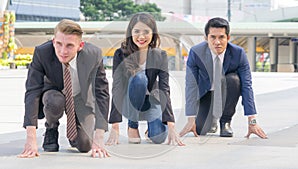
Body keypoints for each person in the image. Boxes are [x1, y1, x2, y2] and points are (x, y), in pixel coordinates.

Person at [18, 19, 110, 158]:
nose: (62, 51)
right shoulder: (42, 53)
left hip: (80, 97)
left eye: (69, 46)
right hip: (54, 93)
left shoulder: (93, 55)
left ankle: (74, 136)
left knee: (85, 146)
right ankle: (51, 128)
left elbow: (102, 93)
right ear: (54, 41)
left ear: (80, 46)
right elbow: (32, 91)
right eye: (59, 44)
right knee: (54, 102)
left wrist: (99, 136)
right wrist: (31, 138)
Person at [180, 17, 267, 139]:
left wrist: (252, 121)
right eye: (213, 37)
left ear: (228, 38)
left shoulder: (238, 53)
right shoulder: (196, 52)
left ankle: (225, 121)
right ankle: (212, 120)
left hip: (227, 92)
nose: (217, 42)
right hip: (206, 94)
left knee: (234, 80)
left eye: (221, 37)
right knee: (200, 129)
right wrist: (190, 118)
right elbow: (191, 85)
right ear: (206, 38)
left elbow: (247, 86)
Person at [106, 13, 184, 146]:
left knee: (159, 138)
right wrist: (115, 125)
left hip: (151, 99)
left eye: (146, 32)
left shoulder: (160, 55)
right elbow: (117, 88)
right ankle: (133, 125)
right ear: (130, 32)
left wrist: (171, 124)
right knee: (139, 79)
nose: (141, 37)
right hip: (129, 100)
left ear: (153, 33)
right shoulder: (121, 54)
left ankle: (151, 129)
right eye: (136, 31)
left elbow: (164, 88)